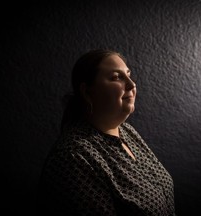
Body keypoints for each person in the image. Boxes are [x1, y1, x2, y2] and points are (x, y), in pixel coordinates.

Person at [36, 49, 176, 215]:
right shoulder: (73, 157)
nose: (132, 84)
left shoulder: (127, 132)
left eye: (129, 74)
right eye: (117, 77)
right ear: (88, 92)